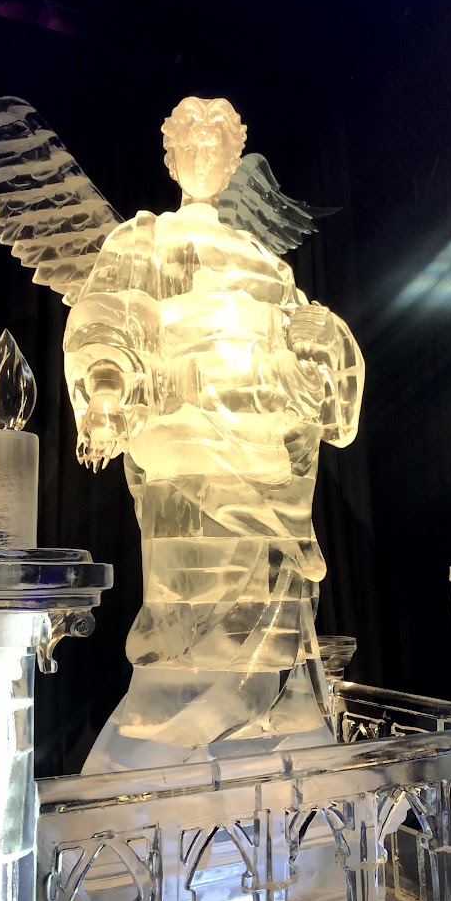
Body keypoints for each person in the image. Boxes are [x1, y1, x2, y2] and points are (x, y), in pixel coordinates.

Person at [63, 97, 364, 767]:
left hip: (264, 455)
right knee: (184, 603)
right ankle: (176, 736)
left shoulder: (266, 264)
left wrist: (323, 344)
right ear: (168, 155)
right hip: (183, 449)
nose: (203, 155)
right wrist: (107, 385)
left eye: (218, 144)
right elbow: (106, 315)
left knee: (271, 598)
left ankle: (267, 724)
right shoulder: (138, 242)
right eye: (190, 142)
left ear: (235, 159)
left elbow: (309, 336)